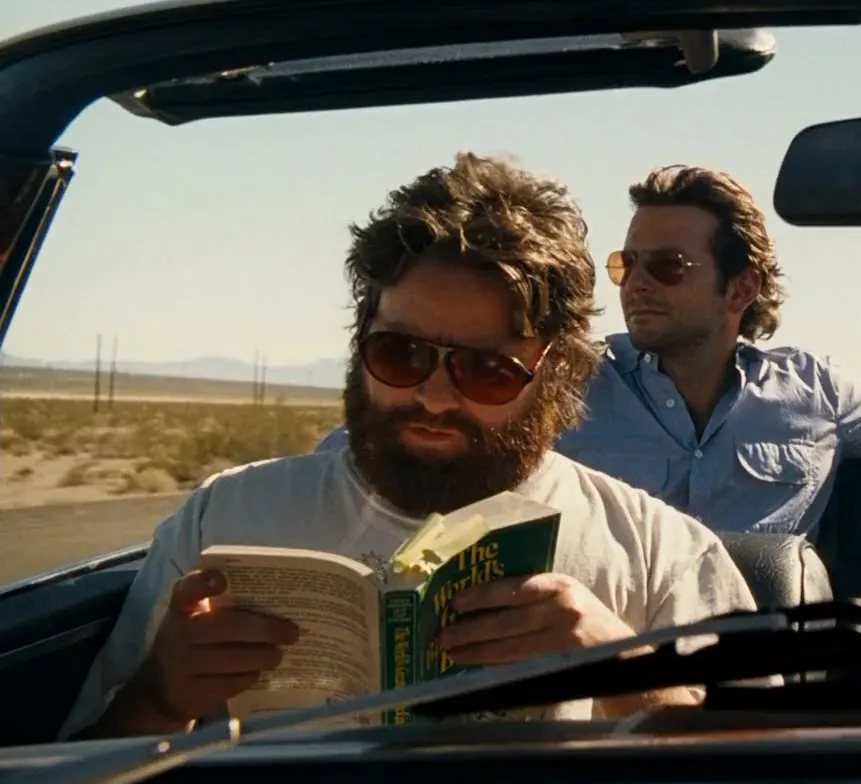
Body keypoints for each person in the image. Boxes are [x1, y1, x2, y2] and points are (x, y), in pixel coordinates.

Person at [61, 153, 758, 739]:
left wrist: (619, 664)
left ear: (558, 378)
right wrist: (161, 695)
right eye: (400, 354)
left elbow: (767, 776)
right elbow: (68, 772)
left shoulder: (660, 555)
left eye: (486, 370)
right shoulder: (225, 519)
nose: (434, 396)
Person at [552, 165, 861, 537]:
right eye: (627, 264)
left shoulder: (815, 393)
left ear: (741, 288)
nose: (635, 283)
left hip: (763, 626)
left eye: (667, 266)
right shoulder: (568, 388)